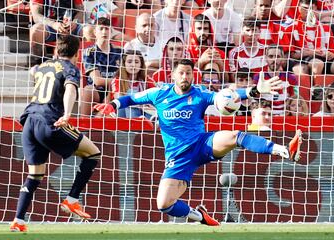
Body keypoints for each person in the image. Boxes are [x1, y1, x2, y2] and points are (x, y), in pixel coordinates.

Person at [94, 58, 302, 226]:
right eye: (181, 73)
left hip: (202, 144)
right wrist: (112, 104)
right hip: (178, 156)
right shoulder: (159, 93)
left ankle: (284, 150)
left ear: (193, 75)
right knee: (163, 203)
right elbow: (131, 99)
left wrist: (253, 91)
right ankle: (199, 216)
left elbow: (225, 97)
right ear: (173, 75)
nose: (185, 77)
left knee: (234, 136)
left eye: (189, 73)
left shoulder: (200, 94)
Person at [10, 35, 101, 232]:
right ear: (77, 54)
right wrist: (68, 114)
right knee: (93, 153)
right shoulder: (71, 68)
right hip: (48, 121)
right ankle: (71, 200)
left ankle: (19, 220)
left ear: (56, 51)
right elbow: (70, 89)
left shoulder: (43, 66)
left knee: (34, 175)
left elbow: (34, 73)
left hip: (28, 122)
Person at [82, 17, 122, 115]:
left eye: (107, 29)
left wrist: (116, 84)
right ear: (95, 32)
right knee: (88, 90)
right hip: (98, 90)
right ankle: (83, 124)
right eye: (101, 28)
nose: (104, 32)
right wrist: (116, 81)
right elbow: (97, 81)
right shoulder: (89, 52)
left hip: (116, 90)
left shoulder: (120, 52)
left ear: (111, 31)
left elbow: (125, 76)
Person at [29, 0, 88, 65]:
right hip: (49, 25)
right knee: (35, 30)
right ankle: (41, 66)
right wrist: (53, 24)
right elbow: (36, 15)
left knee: (89, 31)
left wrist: (75, 21)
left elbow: (81, 11)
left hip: (71, 25)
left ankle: (88, 65)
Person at [288, 0, 334, 76]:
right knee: (317, 64)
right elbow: (291, 55)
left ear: (316, 8)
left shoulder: (325, 27)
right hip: (304, 59)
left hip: (324, 58)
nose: (308, 11)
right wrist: (311, 52)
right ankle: (315, 87)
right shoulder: (292, 27)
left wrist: (331, 54)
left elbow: (333, 52)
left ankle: (327, 87)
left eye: (311, 8)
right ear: (298, 8)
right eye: (305, 8)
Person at [253, 45, 298, 115]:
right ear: (266, 58)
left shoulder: (291, 78)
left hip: (285, 118)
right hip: (265, 116)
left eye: (278, 57)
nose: (274, 60)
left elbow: (295, 99)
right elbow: (253, 99)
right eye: (271, 56)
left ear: (283, 59)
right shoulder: (258, 77)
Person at [111, 50, 156, 118]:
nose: (133, 65)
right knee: (129, 101)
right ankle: (137, 123)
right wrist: (141, 103)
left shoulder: (146, 80)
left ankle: (149, 122)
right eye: (129, 62)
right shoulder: (117, 80)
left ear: (141, 64)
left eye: (136, 62)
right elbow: (118, 98)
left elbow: (155, 96)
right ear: (124, 64)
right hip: (122, 113)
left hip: (143, 110)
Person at [187, 14, 229, 81]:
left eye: (206, 29)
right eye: (199, 28)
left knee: (213, 65)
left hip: (216, 90)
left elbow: (226, 81)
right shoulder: (187, 52)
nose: (202, 32)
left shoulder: (219, 53)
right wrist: (201, 62)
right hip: (194, 89)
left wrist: (220, 63)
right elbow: (186, 77)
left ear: (210, 30)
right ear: (193, 30)